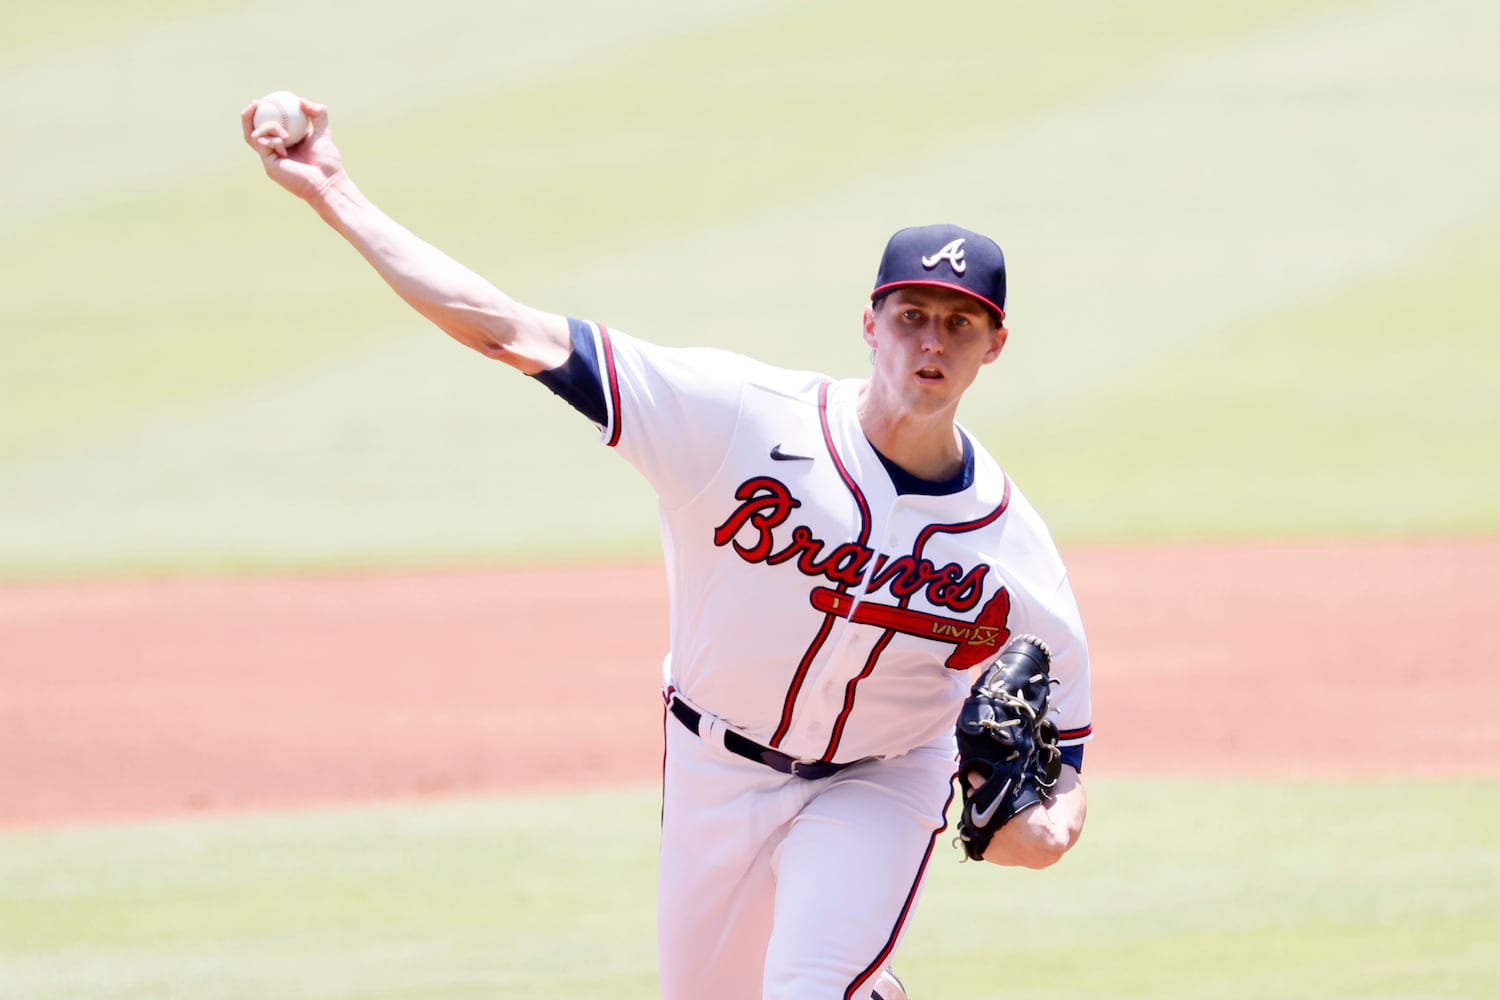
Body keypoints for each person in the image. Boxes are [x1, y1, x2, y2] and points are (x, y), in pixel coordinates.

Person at [243, 96, 1093, 1000]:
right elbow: (505, 327)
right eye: (913, 313)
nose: (932, 341)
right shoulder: (734, 419)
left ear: (995, 344)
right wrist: (334, 192)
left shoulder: (1011, 548)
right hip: (711, 767)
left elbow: (1068, 763)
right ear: (869, 322)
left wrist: (1044, 834)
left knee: (810, 987)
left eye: (960, 323)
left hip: (884, 782)